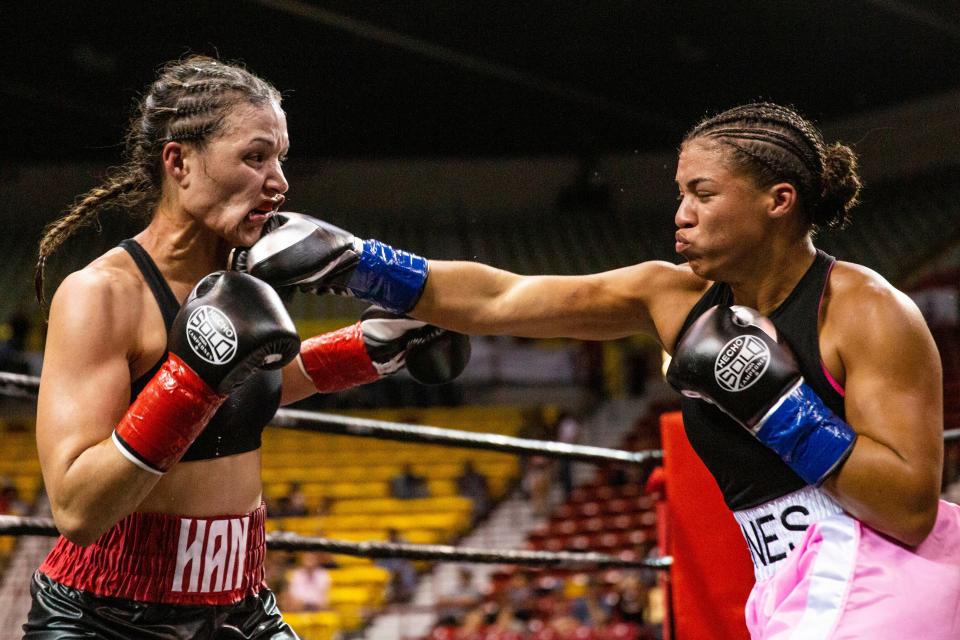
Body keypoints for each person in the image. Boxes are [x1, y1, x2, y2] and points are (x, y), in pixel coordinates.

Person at [236, 102, 960, 638]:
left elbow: (906, 507)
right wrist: (365, 264)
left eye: (702, 194)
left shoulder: (864, 308)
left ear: (779, 201)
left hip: (880, 569)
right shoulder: (670, 295)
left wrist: (779, 408)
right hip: (787, 578)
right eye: (681, 192)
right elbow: (503, 296)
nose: (680, 213)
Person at [24, 55, 468, 639]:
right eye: (256, 156)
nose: (279, 181)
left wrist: (369, 349)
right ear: (179, 162)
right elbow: (78, 508)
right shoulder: (99, 296)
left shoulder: (244, 279)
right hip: (104, 616)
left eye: (280, 158)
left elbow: (247, 386)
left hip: (241, 606)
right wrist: (190, 378)